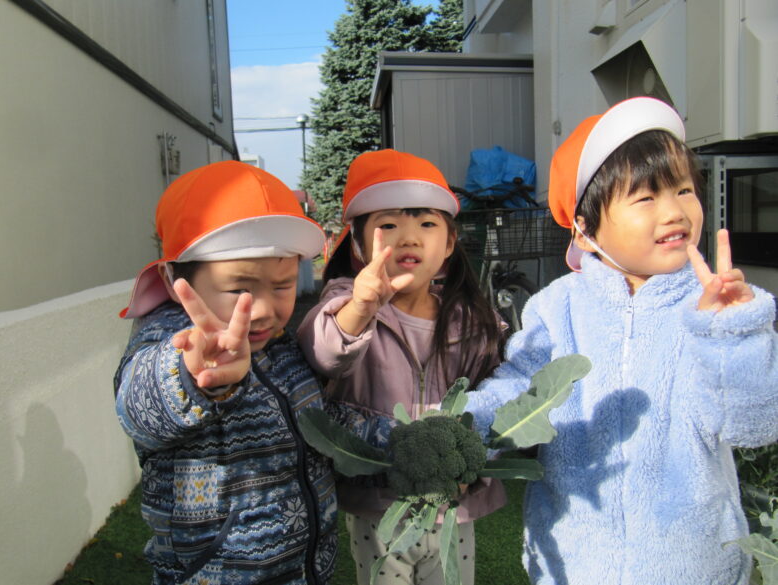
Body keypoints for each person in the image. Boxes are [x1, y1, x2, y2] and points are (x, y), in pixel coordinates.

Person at [464, 97, 778, 585]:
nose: (675, 211)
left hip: (692, 563)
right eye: (647, 197)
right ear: (585, 230)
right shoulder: (557, 307)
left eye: (684, 190)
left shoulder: (716, 305)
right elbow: (519, 391)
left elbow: (752, 427)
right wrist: (464, 430)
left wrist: (732, 336)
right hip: (573, 560)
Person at [114, 161, 337, 585]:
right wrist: (191, 374)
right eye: (240, 288)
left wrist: (392, 437)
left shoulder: (281, 345)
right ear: (173, 275)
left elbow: (320, 424)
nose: (265, 309)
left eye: (283, 284)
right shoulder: (168, 342)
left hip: (307, 570)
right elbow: (137, 408)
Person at [297, 149, 507, 585]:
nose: (409, 237)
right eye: (388, 225)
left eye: (427, 224)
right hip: (379, 502)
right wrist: (361, 306)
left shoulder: (471, 319)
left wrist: (475, 460)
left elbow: (496, 399)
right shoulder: (346, 301)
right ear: (357, 244)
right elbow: (323, 352)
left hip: (453, 506)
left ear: (449, 244)